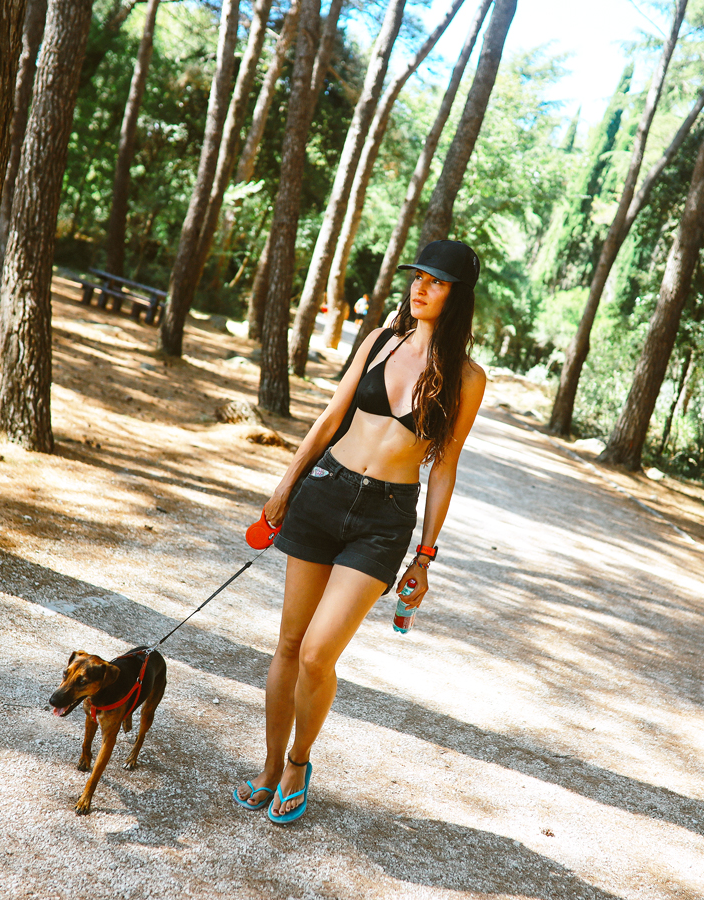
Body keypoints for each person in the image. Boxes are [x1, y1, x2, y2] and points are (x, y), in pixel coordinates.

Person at [233, 240, 487, 824]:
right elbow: (330, 417)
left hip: (385, 518)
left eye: (436, 281)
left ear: (458, 296)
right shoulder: (379, 340)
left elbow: (444, 466)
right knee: (290, 645)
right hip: (324, 495)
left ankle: (299, 761)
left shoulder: (467, 378)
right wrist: (283, 486)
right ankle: (270, 765)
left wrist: (425, 557)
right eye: (416, 276)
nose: (419, 288)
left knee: (319, 653)